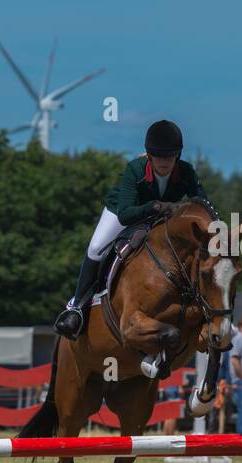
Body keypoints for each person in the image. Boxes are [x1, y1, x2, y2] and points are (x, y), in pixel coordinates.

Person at [54, 120, 212, 340]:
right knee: (97, 248)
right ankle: (77, 307)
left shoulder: (186, 172)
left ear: (177, 155)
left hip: (161, 219)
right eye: (159, 157)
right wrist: (155, 206)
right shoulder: (134, 169)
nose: (164, 162)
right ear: (149, 155)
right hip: (123, 212)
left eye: (170, 157)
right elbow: (125, 213)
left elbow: (202, 205)